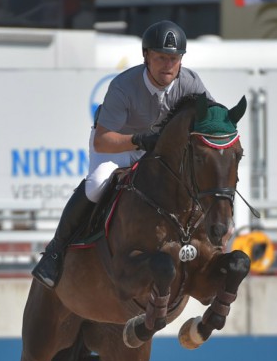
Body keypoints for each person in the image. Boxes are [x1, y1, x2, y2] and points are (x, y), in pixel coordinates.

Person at [32, 20, 214, 289]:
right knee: (96, 185)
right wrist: (139, 140)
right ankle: (56, 251)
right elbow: (103, 141)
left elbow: (211, 121)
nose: (168, 64)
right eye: (161, 57)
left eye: (174, 58)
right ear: (146, 56)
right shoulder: (123, 86)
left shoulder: (190, 83)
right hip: (119, 147)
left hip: (157, 153)